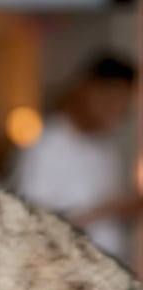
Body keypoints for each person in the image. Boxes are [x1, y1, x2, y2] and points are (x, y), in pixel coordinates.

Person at [11, 53, 141, 268]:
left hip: (109, 270)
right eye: (111, 98)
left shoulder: (107, 149)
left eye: (124, 102)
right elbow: (30, 224)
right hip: (63, 273)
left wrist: (128, 209)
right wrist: (107, 209)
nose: (116, 109)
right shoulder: (45, 145)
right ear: (85, 89)